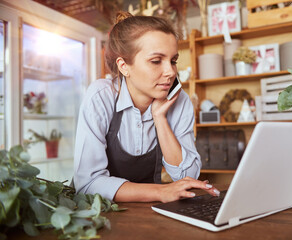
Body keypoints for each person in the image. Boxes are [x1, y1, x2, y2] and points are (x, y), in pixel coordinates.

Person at [73, 11, 220, 203]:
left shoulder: (178, 99)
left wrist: (160, 118)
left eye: (173, 61)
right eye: (156, 61)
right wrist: (160, 192)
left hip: (150, 212)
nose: (170, 72)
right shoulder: (101, 96)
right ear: (124, 66)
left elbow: (187, 175)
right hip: (102, 212)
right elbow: (88, 184)